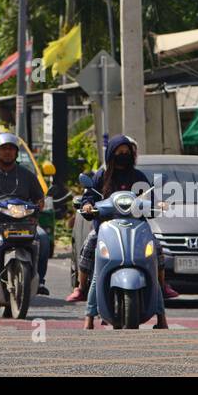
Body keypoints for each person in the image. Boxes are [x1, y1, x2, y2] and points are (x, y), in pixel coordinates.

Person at [72, 134, 170, 330]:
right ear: (111, 154)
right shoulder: (101, 176)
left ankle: (162, 306)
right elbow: (89, 196)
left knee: (156, 250)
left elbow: (150, 196)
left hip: (137, 227)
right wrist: (89, 205)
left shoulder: (138, 177)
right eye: (119, 152)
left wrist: (156, 204)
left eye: (126, 152)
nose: (123, 155)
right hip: (106, 227)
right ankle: (84, 299)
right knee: (90, 249)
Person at [0, 132, 51, 296]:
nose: (8, 152)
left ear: (17, 153)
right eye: (4, 149)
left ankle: (39, 281)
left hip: (23, 223)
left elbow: (39, 198)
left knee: (43, 239)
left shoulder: (26, 175)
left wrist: (37, 207)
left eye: (11, 149)